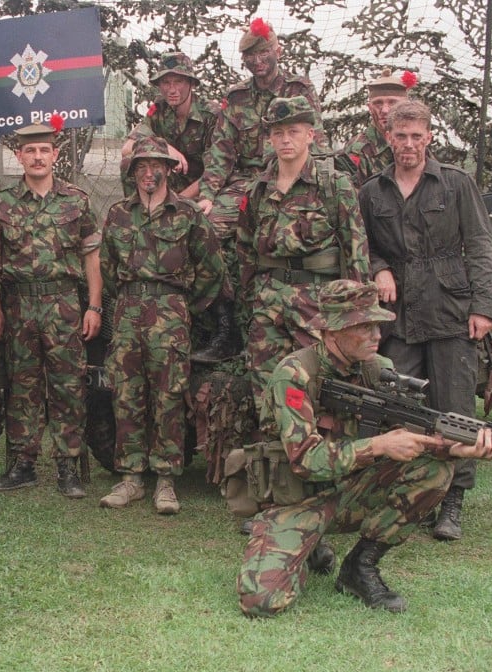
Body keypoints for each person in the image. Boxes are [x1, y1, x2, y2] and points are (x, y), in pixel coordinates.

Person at [237, 279, 492, 617]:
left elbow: (409, 440)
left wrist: (453, 449)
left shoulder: (379, 371)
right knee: (261, 602)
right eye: (364, 327)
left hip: (350, 494)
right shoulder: (294, 375)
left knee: (436, 470)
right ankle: (308, 546)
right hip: (295, 501)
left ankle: (359, 567)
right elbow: (305, 460)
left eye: (377, 325)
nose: (377, 335)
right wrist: (378, 445)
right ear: (332, 331)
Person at [359, 100, 492, 541]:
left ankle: (453, 500)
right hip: (399, 315)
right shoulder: (372, 191)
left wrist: (483, 307)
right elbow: (362, 244)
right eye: (401, 136)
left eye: (417, 136)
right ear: (389, 137)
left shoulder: (455, 184)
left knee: (457, 408)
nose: (409, 144)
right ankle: (409, 493)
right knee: (398, 405)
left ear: (430, 137)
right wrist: (379, 267)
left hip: (450, 309)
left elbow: (478, 244)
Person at [192, 18, 331, 364]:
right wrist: (207, 194)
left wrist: (320, 181)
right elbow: (221, 152)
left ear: (277, 50)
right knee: (206, 230)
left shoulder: (299, 90)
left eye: (264, 51)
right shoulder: (237, 98)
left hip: (292, 178)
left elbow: (318, 140)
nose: (258, 60)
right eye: (251, 56)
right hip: (246, 183)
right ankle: (226, 327)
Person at [98, 136, 225, 514]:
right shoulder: (118, 213)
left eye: (157, 166)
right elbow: (107, 266)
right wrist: (126, 300)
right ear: (133, 171)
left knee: (169, 395)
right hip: (127, 310)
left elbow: (212, 270)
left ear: (169, 170)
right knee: (125, 393)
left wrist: (184, 305)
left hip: (170, 311)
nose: (149, 173)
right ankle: (132, 477)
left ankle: (166, 480)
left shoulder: (188, 215)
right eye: (141, 166)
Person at [0, 119, 102, 499]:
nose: (37, 157)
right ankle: (23, 463)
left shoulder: (76, 200)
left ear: (55, 154)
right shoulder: (1, 203)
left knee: (67, 384)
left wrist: (94, 306)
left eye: (44, 150)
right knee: (22, 385)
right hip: (18, 303)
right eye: (30, 151)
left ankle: (67, 464)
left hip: (64, 302)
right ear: (19, 156)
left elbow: (92, 257)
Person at [236, 96, 369, 403]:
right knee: (266, 391)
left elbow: (357, 251)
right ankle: (273, 449)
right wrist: (249, 303)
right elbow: (245, 251)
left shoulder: (334, 186)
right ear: (269, 138)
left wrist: (357, 315)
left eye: (293, 131)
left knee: (318, 388)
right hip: (269, 303)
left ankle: (319, 451)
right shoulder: (257, 190)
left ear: (310, 134)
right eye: (278, 132)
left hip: (317, 304)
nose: (285, 139)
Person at [119, 52, 220, 199]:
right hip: (172, 180)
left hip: (206, 187)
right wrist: (165, 147)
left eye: (178, 81)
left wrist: (178, 203)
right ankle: (138, 215)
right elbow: (127, 148)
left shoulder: (211, 115)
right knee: (129, 163)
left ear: (191, 83)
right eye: (166, 83)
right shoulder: (160, 109)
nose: (172, 90)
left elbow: (215, 171)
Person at [343, 69, 416, 187]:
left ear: (406, 106)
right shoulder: (358, 149)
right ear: (370, 107)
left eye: (392, 102)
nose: (385, 110)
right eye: (378, 103)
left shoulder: (415, 143)